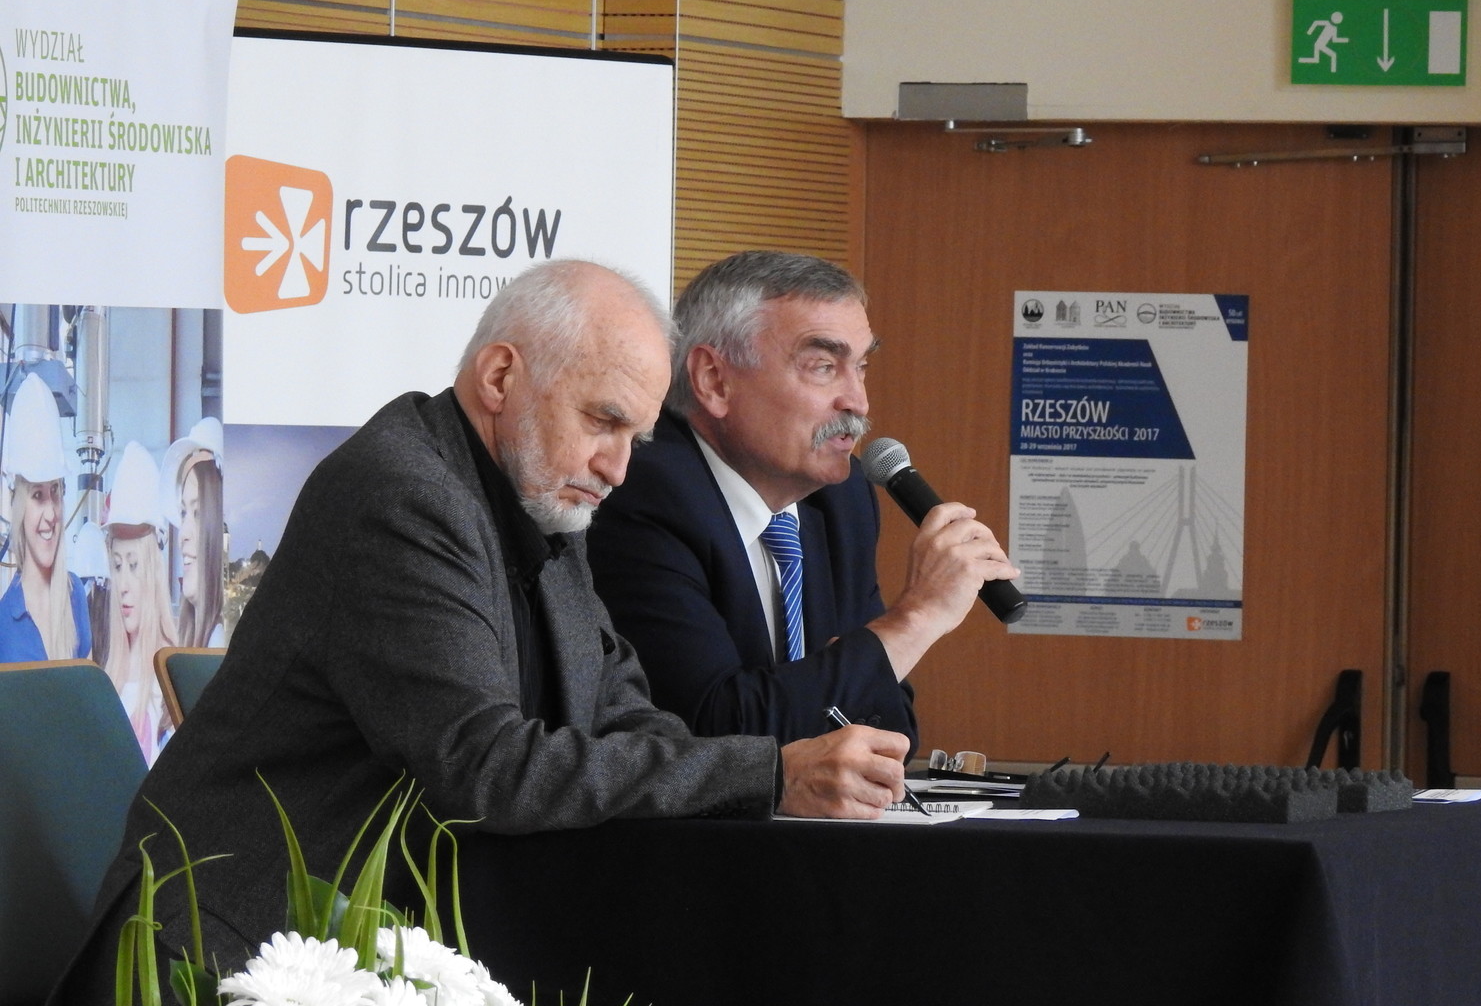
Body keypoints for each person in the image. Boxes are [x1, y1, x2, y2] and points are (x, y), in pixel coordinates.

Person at [50, 259, 909, 1003]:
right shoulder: (401, 493)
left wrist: (756, 775)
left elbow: (621, 712)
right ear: (500, 377)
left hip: (392, 940)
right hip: (231, 949)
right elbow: (487, 767)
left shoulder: (544, 497)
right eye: (603, 421)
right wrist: (768, 773)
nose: (618, 467)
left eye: (636, 437)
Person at [586, 250, 1020, 745]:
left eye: (861, 367)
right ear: (714, 380)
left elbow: (892, 728)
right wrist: (915, 619)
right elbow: (710, 735)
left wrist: (841, 673)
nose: (858, 401)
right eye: (823, 366)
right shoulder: (638, 492)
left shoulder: (842, 500)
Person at [0, 371, 92, 662]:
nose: (51, 513)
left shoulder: (75, 596)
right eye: (37, 495)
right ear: (17, 504)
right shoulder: (3, 620)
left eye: (56, 491)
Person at [102, 440, 178, 762]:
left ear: (153, 571)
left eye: (134, 566)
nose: (124, 585)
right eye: (117, 566)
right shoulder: (107, 676)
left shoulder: (174, 672)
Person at [161, 417, 227, 646]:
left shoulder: (221, 642)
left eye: (198, 513)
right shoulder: (192, 640)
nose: (183, 535)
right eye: (183, 513)